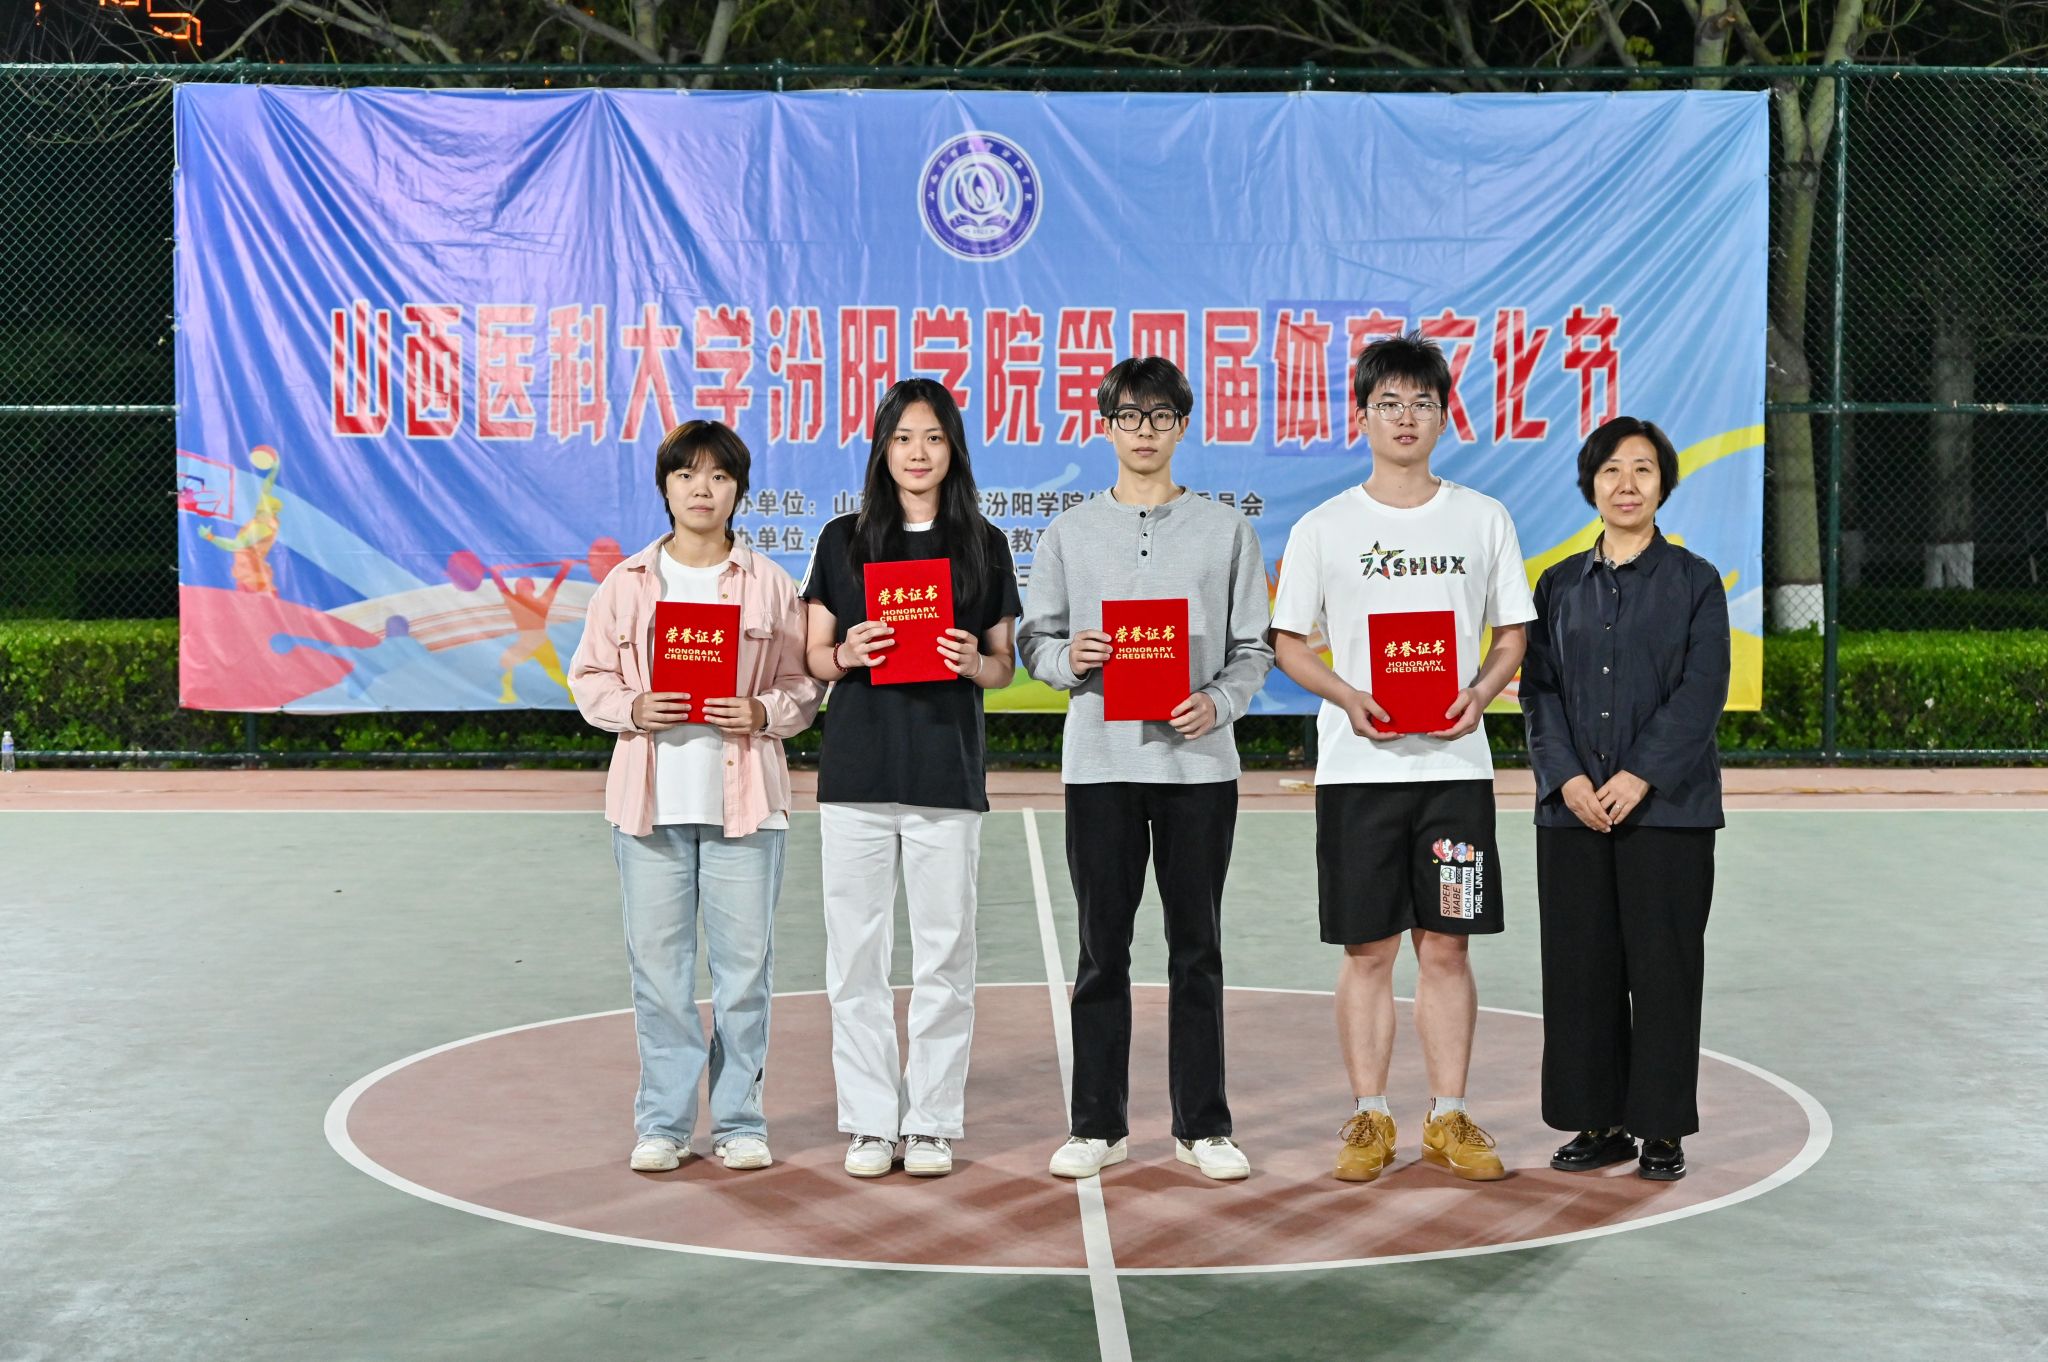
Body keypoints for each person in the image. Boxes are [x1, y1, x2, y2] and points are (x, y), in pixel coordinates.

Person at [1269, 331, 1535, 1185]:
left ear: (1444, 415)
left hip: (1455, 774)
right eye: (1389, 402)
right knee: (1368, 951)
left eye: (1422, 402)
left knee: (1448, 947)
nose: (1406, 417)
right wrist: (1347, 695)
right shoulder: (1325, 527)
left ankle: (1449, 1115)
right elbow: (1288, 642)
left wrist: (1482, 691)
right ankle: (1370, 1115)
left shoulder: (1482, 518)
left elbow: (1512, 632)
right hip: (1360, 775)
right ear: (1363, 416)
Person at [1019, 355, 1275, 1183]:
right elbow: (1035, 640)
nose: (1144, 432)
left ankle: (1204, 1126)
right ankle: (1098, 1125)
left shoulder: (1225, 531)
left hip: (1199, 768)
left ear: (1182, 426)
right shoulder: (1069, 533)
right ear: (1105, 427)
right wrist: (1070, 658)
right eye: (1129, 417)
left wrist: (1219, 702)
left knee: (1197, 949)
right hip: (1100, 766)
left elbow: (1252, 647)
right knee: (1103, 950)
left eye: (1160, 417)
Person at [568, 419, 823, 1174]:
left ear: (738, 489)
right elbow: (588, 677)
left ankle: (740, 1120)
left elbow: (803, 686)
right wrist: (632, 707)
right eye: (686, 475)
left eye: (717, 476)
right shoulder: (627, 583)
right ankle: (665, 1123)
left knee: (744, 977)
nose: (701, 489)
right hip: (648, 805)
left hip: (746, 806)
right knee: (659, 975)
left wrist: (762, 712)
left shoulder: (771, 583)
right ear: (665, 487)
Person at [801, 378, 1019, 1180]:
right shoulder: (843, 538)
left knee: (944, 956)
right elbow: (814, 655)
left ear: (952, 448)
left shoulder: (983, 544)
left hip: (944, 772)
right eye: (902, 438)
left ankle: (930, 1122)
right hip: (857, 773)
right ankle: (868, 1121)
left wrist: (974, 664)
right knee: (855, 958)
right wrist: (846, 654)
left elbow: (1003, 663)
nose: (917, 453)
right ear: (882, 449)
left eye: (932, 437)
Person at [1520, 416, 1730, 1182]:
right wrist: (1568, 779)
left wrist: (1640, 775)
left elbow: (1701, 692)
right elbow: (1539, 691)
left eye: (1642, 469)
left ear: (1663, 483)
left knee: (1664, 969)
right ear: (1591, 485)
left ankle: (1661, 1128)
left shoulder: (1696, 582)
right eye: (1611, 469)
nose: (1627, 484)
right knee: (1582, 970)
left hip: (1667, 812)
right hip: (1571, 812)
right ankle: (1599, 1121)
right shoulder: (1557, 586)